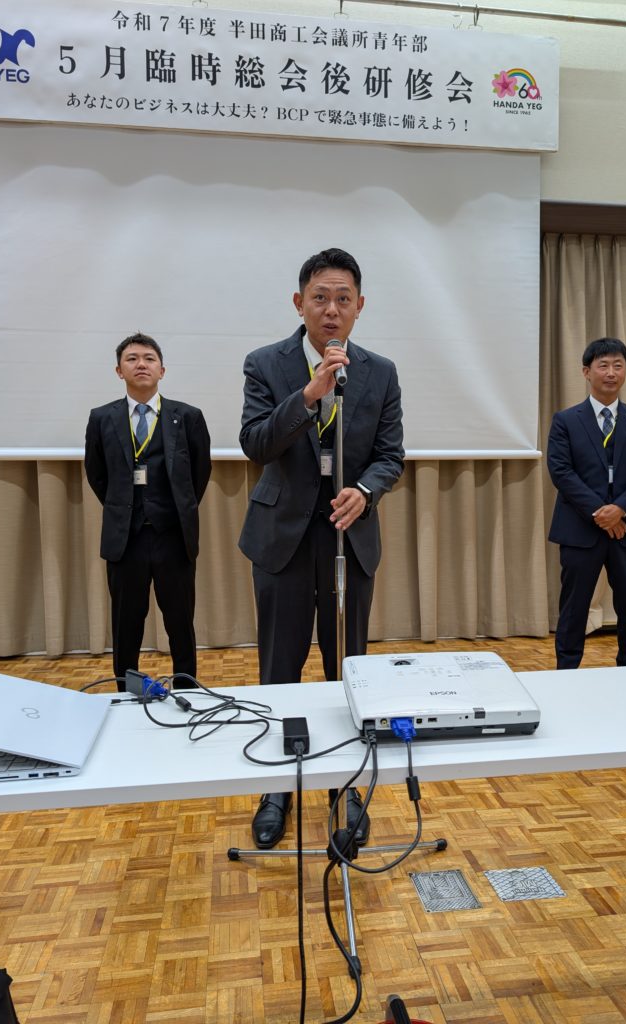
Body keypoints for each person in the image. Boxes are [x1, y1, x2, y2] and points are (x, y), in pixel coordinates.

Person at [239, 248, 404, 849]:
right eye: (320, 298)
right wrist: (307, 396)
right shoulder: (266, 363)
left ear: (359, 307)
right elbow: (256, 443)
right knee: (280, 670)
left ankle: (347, 786)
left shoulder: (381, 371)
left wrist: (367, 490)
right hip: (281, 538)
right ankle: (278, 787)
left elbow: (390, 455)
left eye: (343, 299)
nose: (331, 310)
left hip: (347, 538)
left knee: (349, 669)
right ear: (299, 303)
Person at [85, 332, 212, 690]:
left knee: (180, 624)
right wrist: (123, 508)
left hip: (174, 538)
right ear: (119, 370)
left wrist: (176, 510)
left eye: (149, 358)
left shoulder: (188, 417)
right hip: (125, 541)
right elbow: (96, 474)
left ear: (162, 370)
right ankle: (126, 694)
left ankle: (187, 691)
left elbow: (199, 473)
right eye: (132, 359)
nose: (141, 364)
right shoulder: (101, 418)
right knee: (126, 626)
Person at [547, 337, 626, 670]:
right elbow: (561, 471)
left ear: (625, 371)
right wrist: (601, 513)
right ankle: (566, 673)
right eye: (603, 365)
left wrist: (620, 509)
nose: (611, 372)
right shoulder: (566, 420)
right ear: (587, 372)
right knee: (574, 608)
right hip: (579, 529)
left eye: (618, 365)